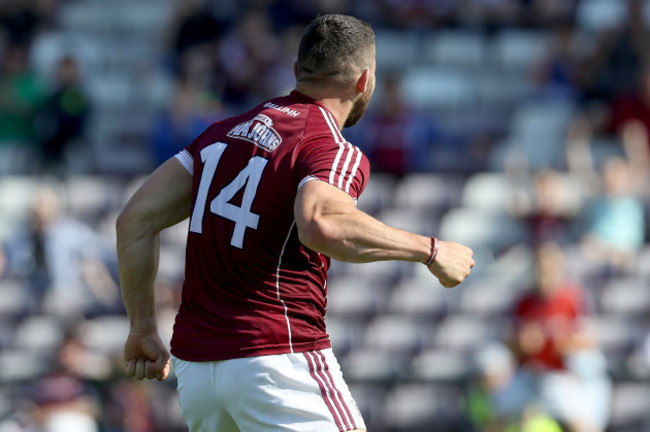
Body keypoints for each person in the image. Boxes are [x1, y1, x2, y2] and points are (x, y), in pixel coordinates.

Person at [116, 14, 474, 432]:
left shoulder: (220, 134)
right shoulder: (328, 145)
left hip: (197, 373)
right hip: (276, 361)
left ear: (296, 73)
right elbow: (321, 222)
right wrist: (431, 251)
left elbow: (134, 221)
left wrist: (142, 326)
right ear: (364, 81)